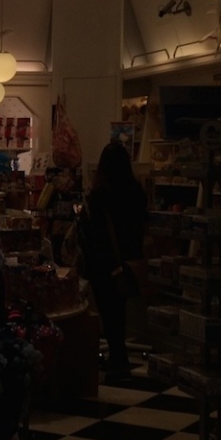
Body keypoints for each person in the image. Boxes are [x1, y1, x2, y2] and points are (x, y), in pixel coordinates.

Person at [80, 140, 147, 380]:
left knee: (109, 311)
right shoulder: (135, 191)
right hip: (130, 260)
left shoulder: (100, 194)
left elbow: (94, 231)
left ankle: (117, 356)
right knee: (121, 309)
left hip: (104, 263)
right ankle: (120, 355)